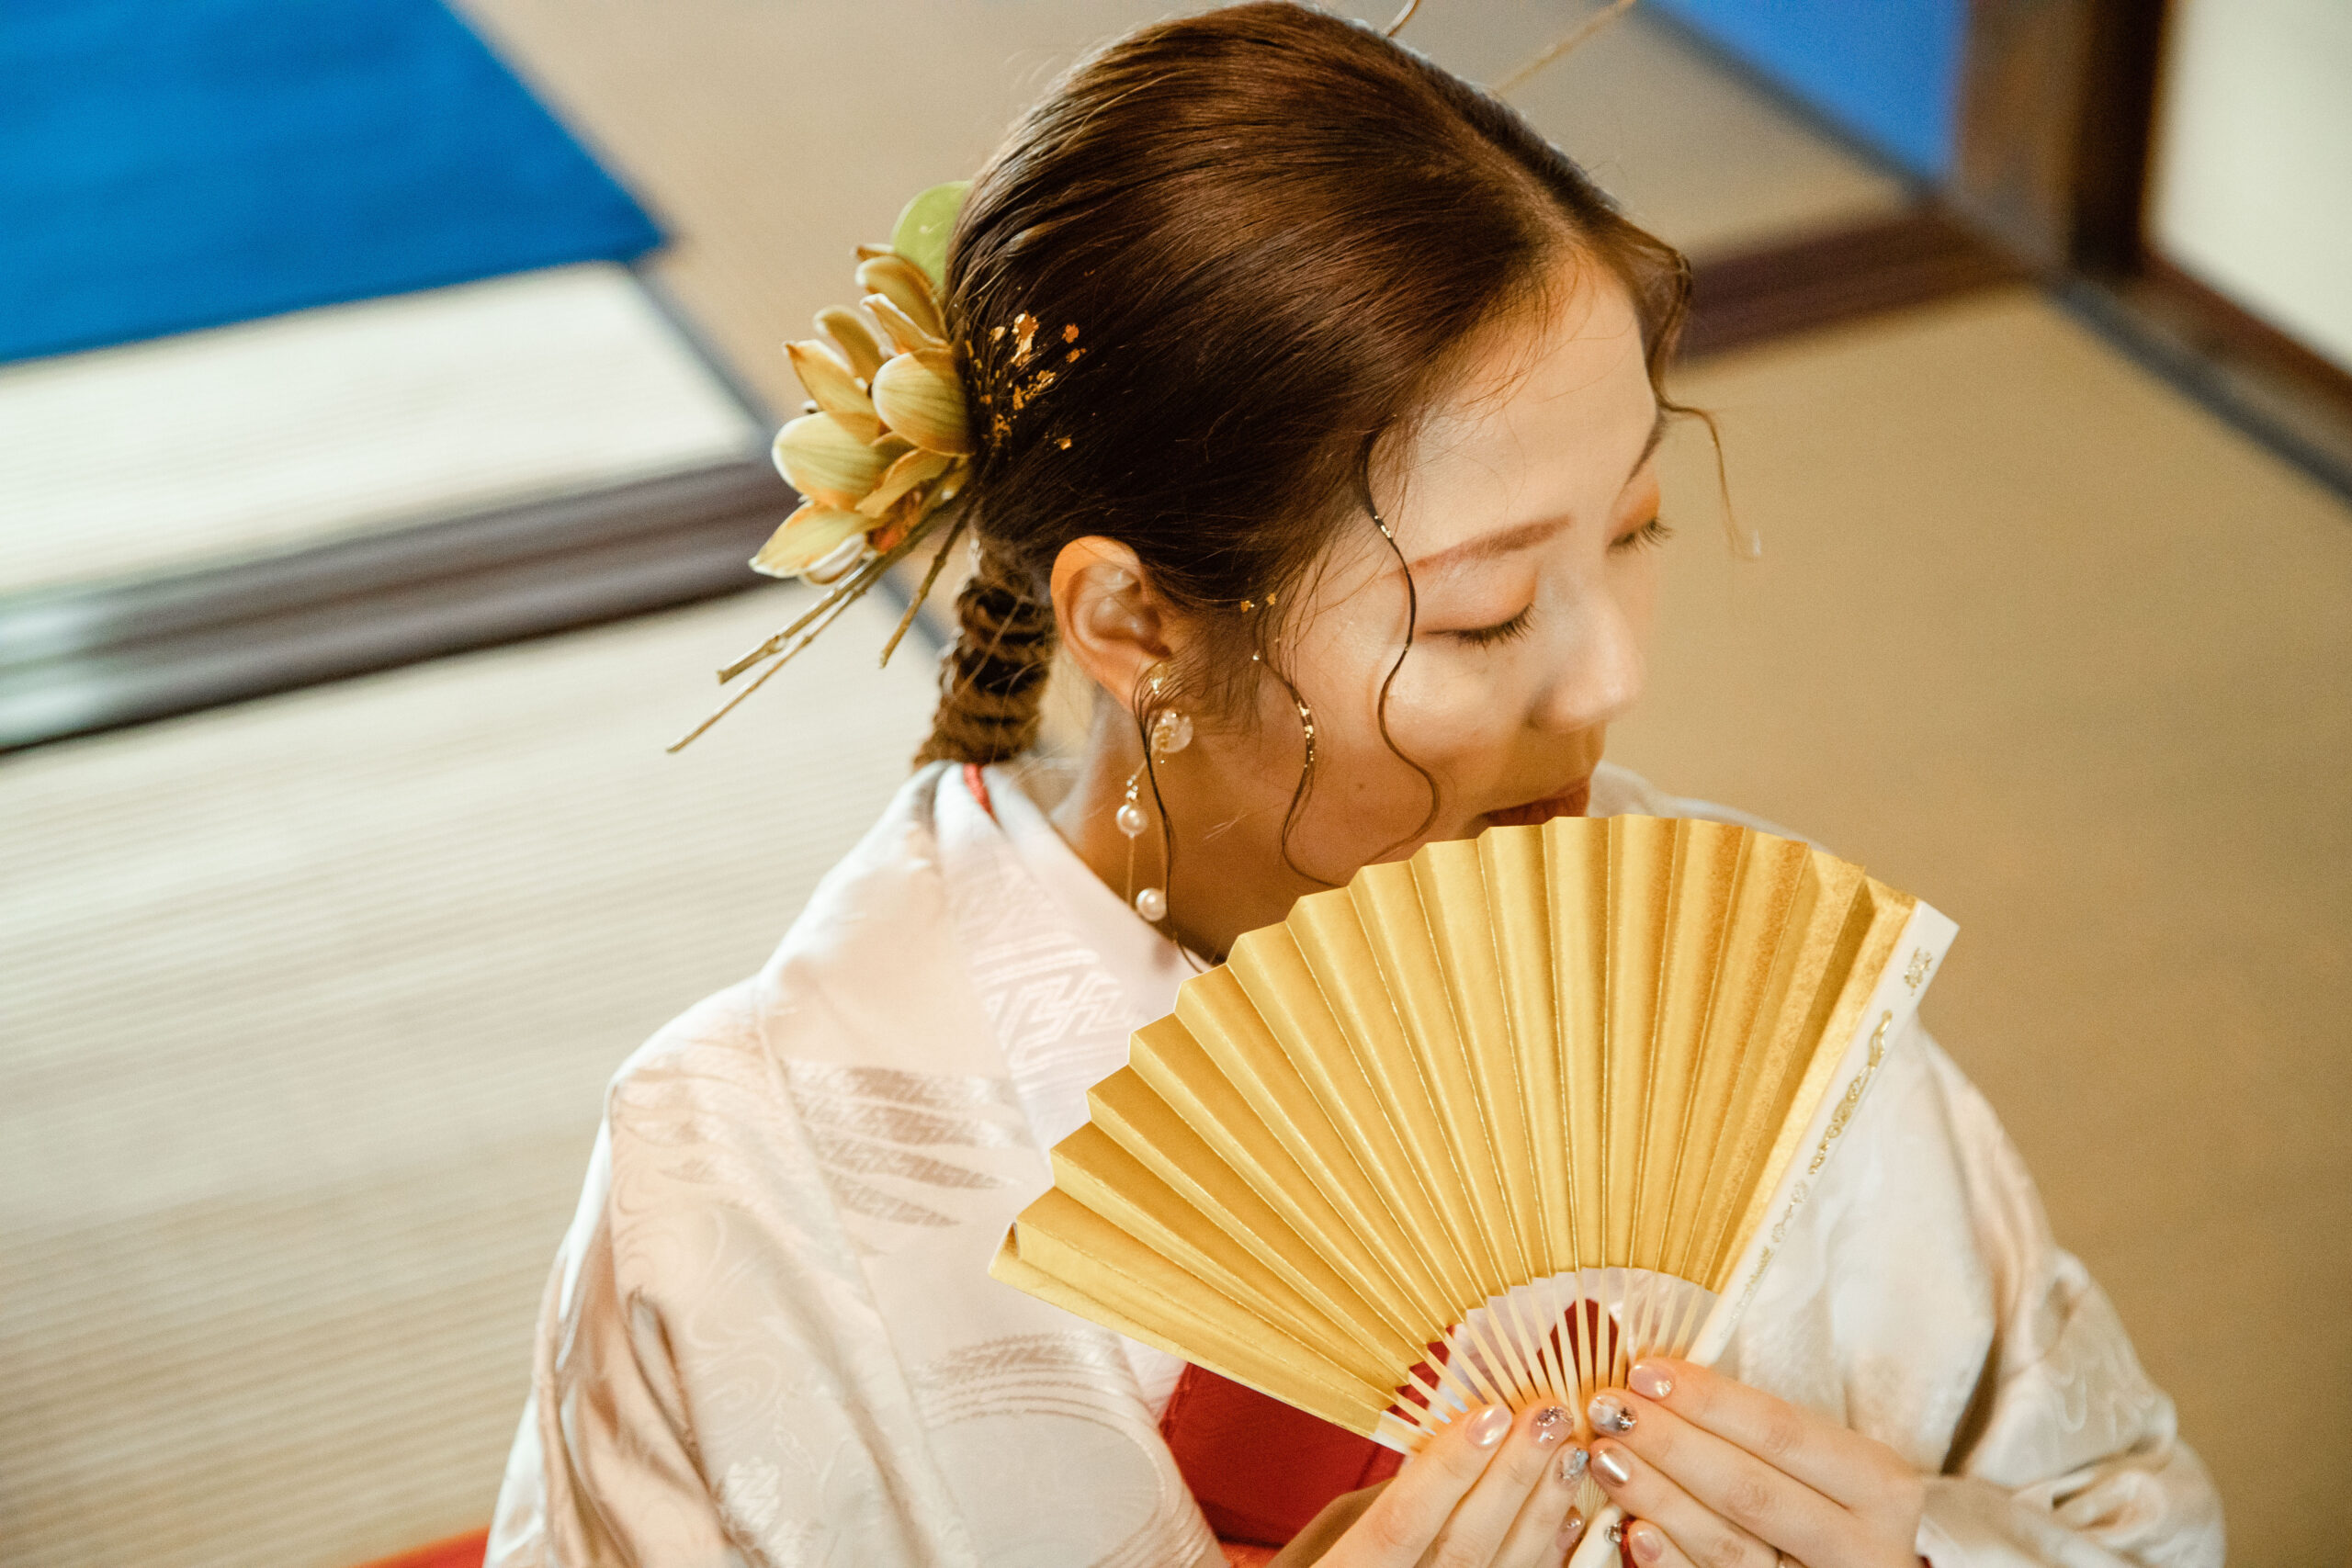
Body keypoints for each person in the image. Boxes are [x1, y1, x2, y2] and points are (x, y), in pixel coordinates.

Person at [485, 6, 2223, 1565]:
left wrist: (1921, 1553)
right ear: (1132, 620)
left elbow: (2133, 1513)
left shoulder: (1747, 999)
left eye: (1635, 533)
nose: (1611, 678)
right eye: (1476, 616)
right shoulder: (746, 1175)